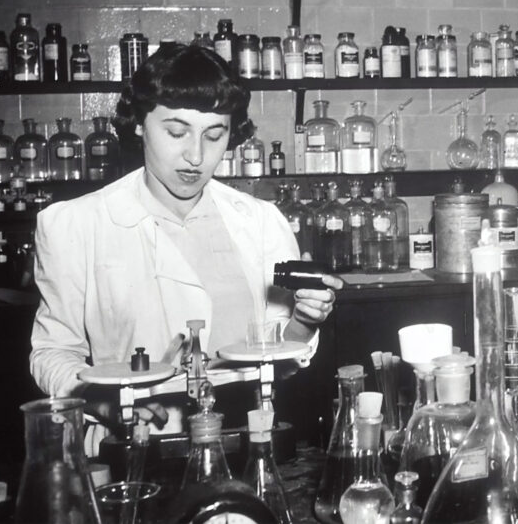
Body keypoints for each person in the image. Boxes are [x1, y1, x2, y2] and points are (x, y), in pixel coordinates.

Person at [29, 43, 342, 450]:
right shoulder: (74, 223)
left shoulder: (261, 221)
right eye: (176, 132)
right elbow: (52, 352)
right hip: (132, 440)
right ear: (140, 123)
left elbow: (282, 360)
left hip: (247, 436)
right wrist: (101, 400)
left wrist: (304, 319)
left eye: (215, 135)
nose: (195, 156)